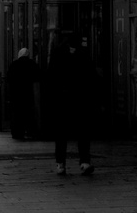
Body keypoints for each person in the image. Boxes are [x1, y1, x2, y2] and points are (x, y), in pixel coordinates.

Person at [45, 32, 96, 175]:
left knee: (62, 133)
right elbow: (91, 76)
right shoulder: (83, 54)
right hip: (78, 98)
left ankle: (61, 163)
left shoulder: (58, 54)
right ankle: (83, 161)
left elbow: (51, 77)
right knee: (82, 132)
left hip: (65, 99)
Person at [7, 48, 40, 140]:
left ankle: (17, 133)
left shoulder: (14, 64)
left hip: (17, 94)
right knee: (29, 114)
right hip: (28, 93)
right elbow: (37, 76)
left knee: (17, 115)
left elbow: (9, 78)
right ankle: (31, 132)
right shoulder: (32, 64)